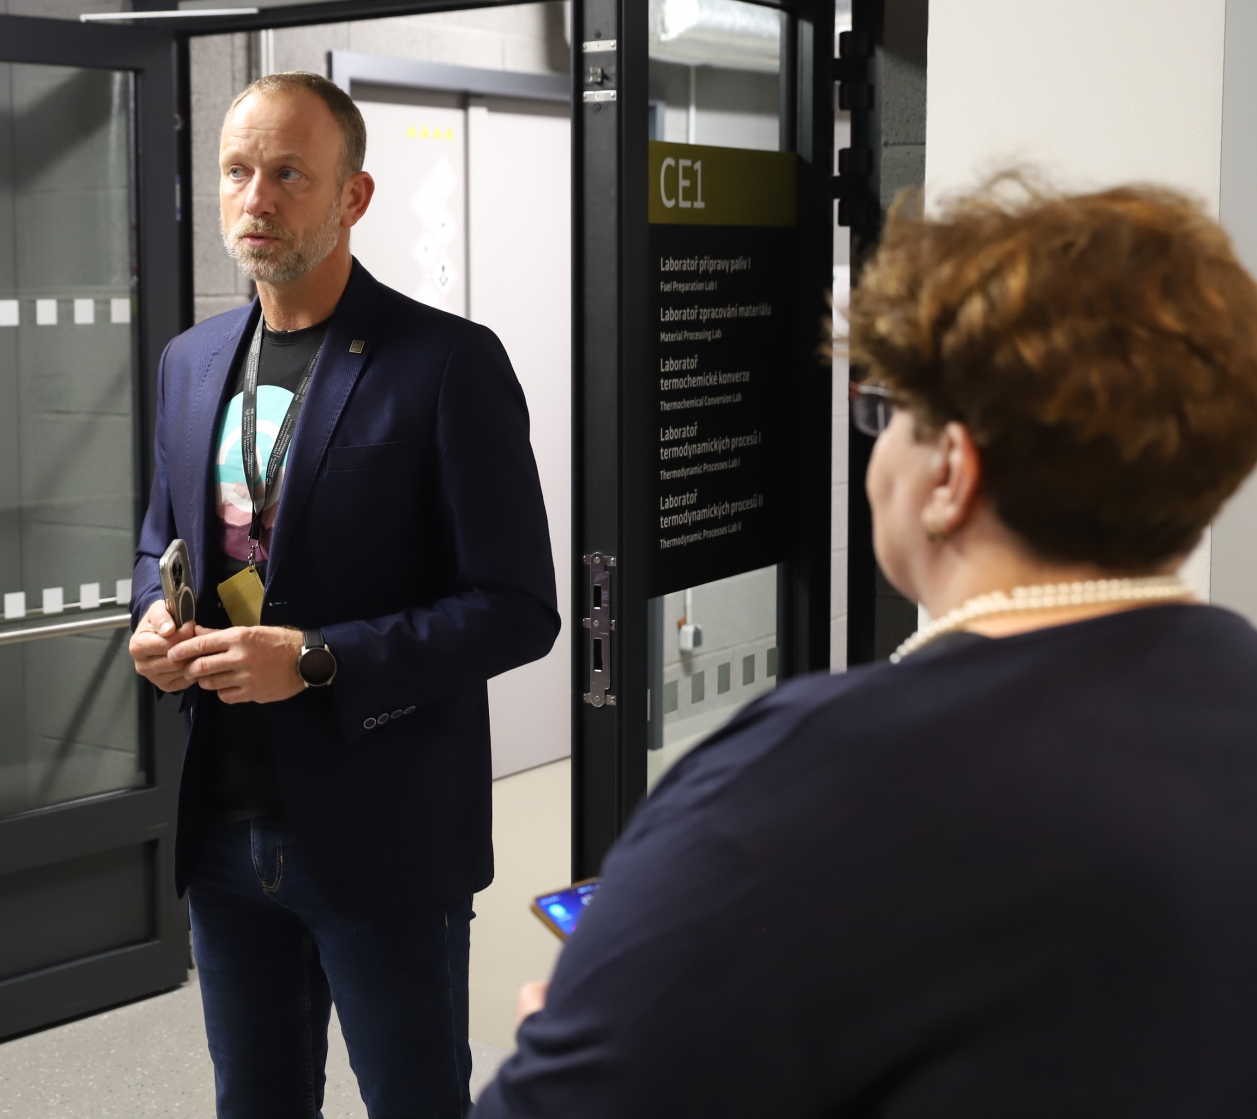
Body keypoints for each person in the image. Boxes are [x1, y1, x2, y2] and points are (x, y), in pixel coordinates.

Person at [475, 177, 1257, 1116]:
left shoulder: (812, 766)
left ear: (950, 473)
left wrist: (571, 1042)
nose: (875, 451)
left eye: (883, 412)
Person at [127, 70, 559, 1119]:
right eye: (237, 171)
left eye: (288, 174)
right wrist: (150, 615)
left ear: (352, 197)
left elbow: (518, 606)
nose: (256, 199)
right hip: (223, 829)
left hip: (383, 834)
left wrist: (319, 658)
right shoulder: (191, 363)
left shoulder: (446, 363)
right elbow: (157, 543)